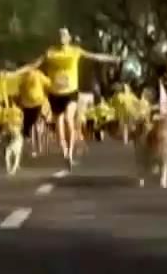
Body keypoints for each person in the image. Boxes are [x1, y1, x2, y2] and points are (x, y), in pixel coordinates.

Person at [23, 30, 119, 170]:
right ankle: (65, 152)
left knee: (69, 118)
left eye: (64, 35)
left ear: (69, 38)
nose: (61, 38)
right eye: (59, 35)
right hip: (55, 93)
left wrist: (112, 58)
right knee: (59, 122)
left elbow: (95, 57)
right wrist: (11, 74)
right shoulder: (50, 53)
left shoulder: (75, 51)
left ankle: (70, 152)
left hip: (71, 92)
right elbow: (32, 66)